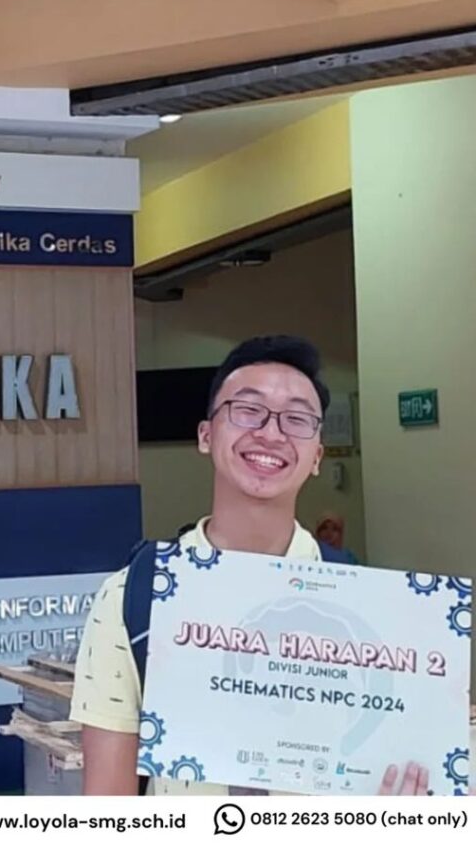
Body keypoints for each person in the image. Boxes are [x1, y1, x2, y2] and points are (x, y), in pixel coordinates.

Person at [71, 335, 429, 796]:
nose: (271, 434)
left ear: (317, 456)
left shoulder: (370, 608)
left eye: (296, 419)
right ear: (206, 435)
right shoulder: (135, 597)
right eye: (247, 410)